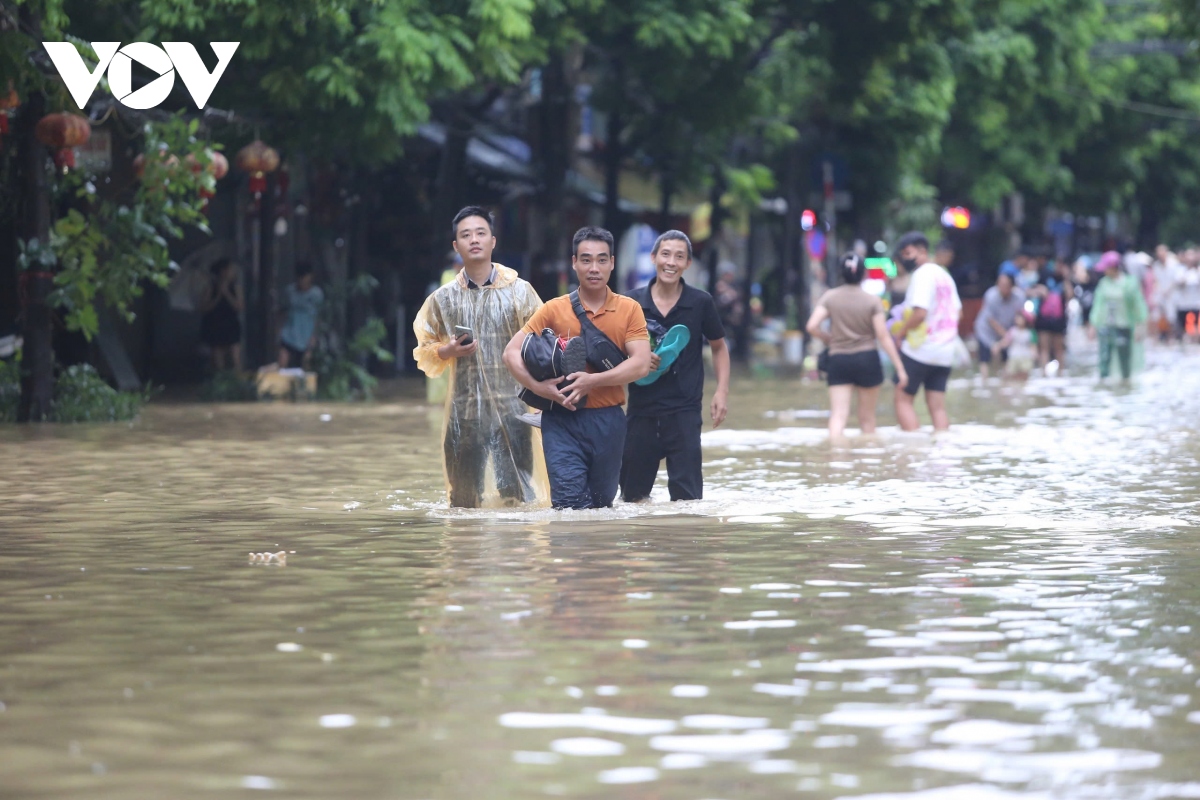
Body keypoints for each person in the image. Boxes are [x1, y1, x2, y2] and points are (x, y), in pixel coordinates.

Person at [503, 227, 651, 510]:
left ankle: (593, 555)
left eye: (601, 260)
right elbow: (510, 353)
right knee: (568, 505)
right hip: (561, 421)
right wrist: (538, 388)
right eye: (586, 260)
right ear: (574, 263)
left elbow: (641, 364)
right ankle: (568, 554)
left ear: (612, 263)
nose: (593, 268)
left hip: (609, 421)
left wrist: (592, 381)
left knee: (600, 505)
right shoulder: (553, 309)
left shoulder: (630, 309)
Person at [414, 206, 547, 508]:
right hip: (465, 411)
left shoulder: (520, 292)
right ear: (456, 246)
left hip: (513, 408)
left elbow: (542, 345)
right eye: (465, 235)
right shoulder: (443, 298)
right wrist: (448, 350)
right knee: (463, 502)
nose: (474, 239)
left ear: (493, 241)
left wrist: (543, 401)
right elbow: (424, 348)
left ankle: (514, 556)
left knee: (518, 499)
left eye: (480, 233)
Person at [619, 231, 730, 503]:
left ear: (688, 264)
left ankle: (681, 546)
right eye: (665, 254)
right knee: (632, 500)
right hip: (641, 411)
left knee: (688, 502)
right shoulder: (630, 303)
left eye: (679, 256)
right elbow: (614, 349)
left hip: (684, 412)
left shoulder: (700, 302)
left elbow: (719, 346)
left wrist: (722, 392)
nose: (671, 262)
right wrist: (638, 359)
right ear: (653, 257)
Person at [806, 253, 908, 440]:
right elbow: (882, 335)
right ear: (863, 274)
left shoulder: (830, 297)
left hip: (838, 359)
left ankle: (836, 460)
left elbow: (811, 326)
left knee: (838, 416)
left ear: (841, 273)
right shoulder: (872, 301)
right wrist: (900, 368)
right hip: (867, 359)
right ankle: (865, 463)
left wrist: (828, 338)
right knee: (867, 419)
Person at [890, 231, 962, 432]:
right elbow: (958, 312)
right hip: (945, 352)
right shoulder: (944, 275)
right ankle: (942, 449)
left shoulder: (922, 275)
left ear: (922, 250)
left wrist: (901, 332)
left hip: (921, 348)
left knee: (902, 400)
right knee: (937, 407)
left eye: (908, 253)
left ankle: (914, 450)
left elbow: (920, 313)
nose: (905, 258)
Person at [1088, 251, 1148, 382]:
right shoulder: (1103, 283)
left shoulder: (1129, 283)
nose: (1104, 271)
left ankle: (1125, 386)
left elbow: (1138, 305)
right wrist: (1093, 325)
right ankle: (1104, 386)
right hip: (1105, 327)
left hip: (1124, 326)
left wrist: (1140, 326)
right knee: (1104, 358)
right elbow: (1098, 305)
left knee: (1125, 359)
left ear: (1114, 267)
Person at [973, 272, 1025, 379]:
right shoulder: (991, 295)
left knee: (1007, 356)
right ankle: (985, 380)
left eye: (1005, 285)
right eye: (1000, 284)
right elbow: (990, 320)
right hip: (986, 331)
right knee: (985, 357)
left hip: (1007, 329)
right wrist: (1006, 335)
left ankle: (1003, 381)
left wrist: (1011, 335)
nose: (1002, 288)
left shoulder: (1019, 297)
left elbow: (1020, 316)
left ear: (1012, 286)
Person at [199, 257, 242, 371]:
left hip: (231, 323)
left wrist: (226, 293)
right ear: (223, 271)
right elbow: (204, 308)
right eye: (230, 269)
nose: (233, 272)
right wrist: (218, 295)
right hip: (215, 323)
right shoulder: (210, 287)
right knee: (218, 358)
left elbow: (239, 307)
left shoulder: (235, 287)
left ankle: (238, 380)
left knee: (235, 355)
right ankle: (221, 381)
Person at [278, 263, 324, 369]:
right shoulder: (290, 291)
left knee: (306, 364)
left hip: (307, 337)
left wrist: (314, 336)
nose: (302, 280)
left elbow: (319, 317)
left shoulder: (316, 294)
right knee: (282, 360)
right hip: (289, 334)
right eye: (300, 277)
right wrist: (279, 330)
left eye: (305, 277)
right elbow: (282, 312)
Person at [1033, 258, 1072, 370]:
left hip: (1059, 319)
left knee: (1059, 348)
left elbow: (1070, 295)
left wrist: (1066, 278)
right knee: (1044, 347)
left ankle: (1060, 373)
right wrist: (1041, 290)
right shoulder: (1045, 275)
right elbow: (1033, 289)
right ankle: (1044, 373)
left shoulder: (1065, 281)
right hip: (1044, 318)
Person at [992, 312, 1036, 380]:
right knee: (1010, 375)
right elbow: (1006, 341)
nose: (1018, 320)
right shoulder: (1013, 331)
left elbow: (1033, 345)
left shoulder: (1030, 332)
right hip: (1014, 356)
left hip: (1026, 357)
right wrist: (998, 346)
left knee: (1024, 375)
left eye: (1020, 318)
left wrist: (1034, 353)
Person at [1151, 245, 1179, 340]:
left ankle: (1172, 337)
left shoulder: (1173, 264)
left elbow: (1175, 280)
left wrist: (1168, 290)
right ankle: (1160, 336)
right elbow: (1155, 280)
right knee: (1157, 315)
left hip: (1171, 294)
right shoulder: (1156, 265)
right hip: (1160, 293)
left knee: (1171, 316)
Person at [1174, 249, 1200, 344]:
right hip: (1183, 303)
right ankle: (1183, 342)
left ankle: (1196, 341)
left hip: (1196, 303)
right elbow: (1178, 283)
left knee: (1196, 324)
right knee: (1183, 325)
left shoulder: (1198, 270)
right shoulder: (1180, 270)